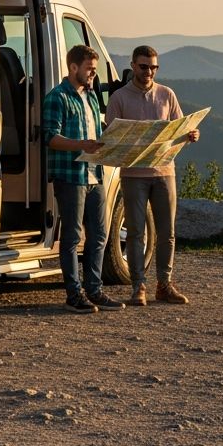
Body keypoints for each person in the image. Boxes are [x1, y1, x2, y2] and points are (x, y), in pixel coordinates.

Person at [105, 45, 199, 306]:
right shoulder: (119, 98)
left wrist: (191, 135)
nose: (149, 72)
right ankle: (138, 286)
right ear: (133, 66)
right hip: (133, 175)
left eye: (154, 67)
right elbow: (111, 138)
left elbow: (180, 129)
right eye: (144, 66)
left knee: (167, 233)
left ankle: (164, 285)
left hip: (164, 172)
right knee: (136, 232)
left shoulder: (167, 94)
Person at [43, 44, 125, 313]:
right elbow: (50, 138)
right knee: (71, 236)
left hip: (94, 174)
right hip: (70, 175)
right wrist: (82, 145)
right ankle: (73, 294)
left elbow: (96, 131)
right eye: (89, 69)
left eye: (94, 70)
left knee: (99, 234)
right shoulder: (57, 97)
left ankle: (94, 290)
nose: (93, 74)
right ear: (73, 67)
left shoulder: (91, 97)